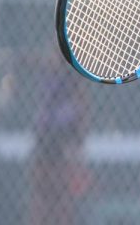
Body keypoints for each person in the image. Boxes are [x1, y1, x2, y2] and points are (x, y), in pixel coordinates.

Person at [28, 49, 93, 225]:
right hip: (45, 139)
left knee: (61, 196)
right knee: (42, 194)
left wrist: (77, 142)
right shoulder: (46, 72)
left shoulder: (75, 77)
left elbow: (81, 111)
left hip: (64, 140)